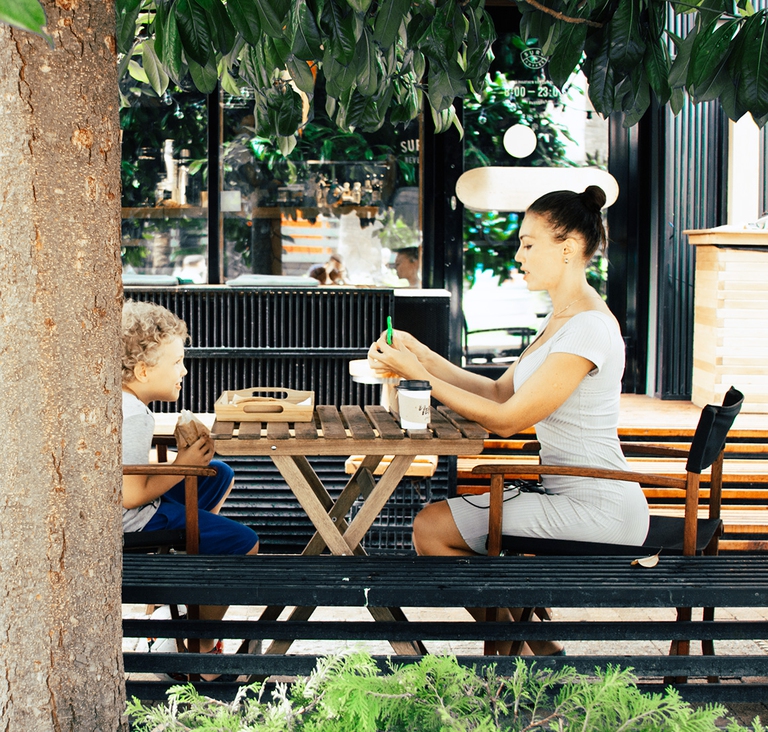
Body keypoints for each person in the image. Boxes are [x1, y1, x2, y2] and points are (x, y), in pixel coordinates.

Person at [368, 186, 649, 655]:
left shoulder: (589, 327)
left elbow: (506, 420)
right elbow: (499, 390)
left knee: (431, 529)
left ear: (569, 247)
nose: (517, 254)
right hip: (567, 489)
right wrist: (422, 355)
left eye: (528, 243)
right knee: (433, 526)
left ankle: (525, 645)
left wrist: (421, 379)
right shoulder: (561, 320)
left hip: (599, 506)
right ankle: (529, 644)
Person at [121, 300, 260, 680]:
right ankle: (202, 650)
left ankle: (173, 601)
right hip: (132, 524)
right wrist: (184, 464)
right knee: (243, 543)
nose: (184, 369)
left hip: (129, 511)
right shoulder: (132, 416)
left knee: (218, 472)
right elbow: (130, 495)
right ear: (143, 370)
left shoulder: (127, 403)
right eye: (177, 361)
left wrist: (190, 463)